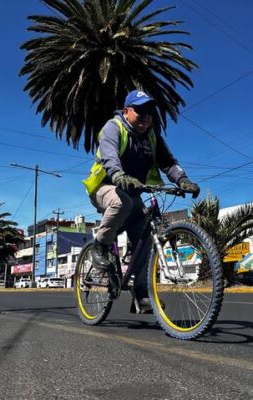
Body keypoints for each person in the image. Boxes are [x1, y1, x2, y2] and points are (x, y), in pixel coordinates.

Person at [82, 89, 200, 313]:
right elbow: (109, 156)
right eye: (140, 110)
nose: (145, 116)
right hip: (104, 188)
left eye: (150, 112)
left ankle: (141, 294)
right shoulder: (113, 127)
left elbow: (168, 163)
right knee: (122, 202)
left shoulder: (152, 136)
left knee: (145, 239)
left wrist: (182, 180)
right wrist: (119, 175)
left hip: (131, 194)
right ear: (127, 111)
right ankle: (100, 246)